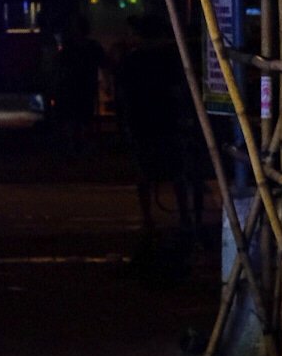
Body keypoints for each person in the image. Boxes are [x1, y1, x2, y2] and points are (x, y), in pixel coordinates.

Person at [117, 13, 203, 244]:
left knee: (146, 173)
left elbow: (124, 96)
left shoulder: (132, 61)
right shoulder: (169, 57)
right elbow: (180, 90)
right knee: (176, 173)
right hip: (166, 121)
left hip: (144, 123)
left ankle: (149, 219)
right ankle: (183, 217)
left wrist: (125, 124)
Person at [55, 14, 107, 155]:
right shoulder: (93, 46)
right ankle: (83, 143)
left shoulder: (68, 46)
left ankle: (73, 144)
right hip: (86, 85)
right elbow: (104, 63)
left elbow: (60, 65)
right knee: (85, 116)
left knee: (72, 116)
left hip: (71, 85)